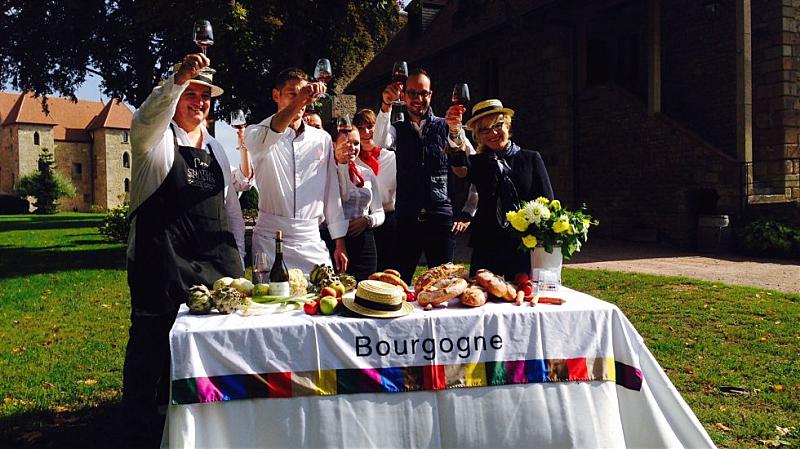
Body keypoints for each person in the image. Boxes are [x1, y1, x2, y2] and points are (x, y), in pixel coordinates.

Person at [122, 53, 244, 447]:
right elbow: (145, 118)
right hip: (160, 265)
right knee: (151, 350)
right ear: (175, 98)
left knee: (207, 352)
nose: (199, 102)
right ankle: (141, 429)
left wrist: (239, 261)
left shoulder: (218, 150)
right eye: (191, 94)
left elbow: (230, 211)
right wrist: (176, 81)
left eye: (205, 96)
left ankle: (201, 427)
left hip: (213, 268)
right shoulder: (153, 140)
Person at [373, 68, 474, 283]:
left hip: (440, 220)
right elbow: (380, 141)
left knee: (443, 285)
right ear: (404, 96)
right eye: (412, 93)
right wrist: (386, 106)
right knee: (397, 284)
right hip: (406, 220)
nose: (418, 99)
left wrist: (468, 211)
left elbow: (472, 162)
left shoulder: (446, 125)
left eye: (423, 93)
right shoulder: (397, 129)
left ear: (431, 95)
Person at [244, 68, 348, 274]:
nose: (301, 100)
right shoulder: (255, 133)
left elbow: (331, 191)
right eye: (292, 94)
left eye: (304, 94)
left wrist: (339, 241)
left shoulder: (322, 139)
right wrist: (300, 100)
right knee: (272, 294)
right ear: (276, 95)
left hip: (310, 239)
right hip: (270, 240)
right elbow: (270, 133)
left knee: (322, 292)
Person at [457, 99, 554, 278]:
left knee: (521, 293)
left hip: (522, 245)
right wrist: (454, 130)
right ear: (478, 135)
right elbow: (458, 166)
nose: (493, 133)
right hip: (486, 245)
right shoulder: (477, 163)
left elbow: (548, 202)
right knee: (480, 293)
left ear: (507, 126)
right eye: (484, 129)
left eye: (497, 125)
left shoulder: (531, 158)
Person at [324, 125, 384, 280]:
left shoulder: (366, 173)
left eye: (356, 143)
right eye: (346, 143)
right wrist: (343, 165)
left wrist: (368, 220)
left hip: (363, 240)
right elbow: (343, 196)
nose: (352, 147)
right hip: (333, 239)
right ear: (334, 145)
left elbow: (379, 211)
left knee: (366, 286)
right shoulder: (326, 173)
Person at [352, 109, 397, 271]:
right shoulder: (353, 161)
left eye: (370, 127)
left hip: (390, 219)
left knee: (389, 268)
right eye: (360, 128)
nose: (365, 132)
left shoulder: (391, 157)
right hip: (363, 222)